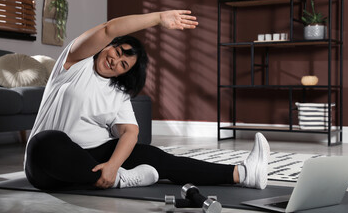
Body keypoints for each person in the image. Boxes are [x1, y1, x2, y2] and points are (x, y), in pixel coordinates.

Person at [24, 10, 270, 191]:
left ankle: (244, 173)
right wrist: (158, 18)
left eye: (123, 65)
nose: (114, 61)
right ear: (111, 45)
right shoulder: (76, 62)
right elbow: (108, 28)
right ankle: (121, 180)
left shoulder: (117, 92)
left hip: (95, 158)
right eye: (117, 52)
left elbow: (130, 132)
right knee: (46, 141)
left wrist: (112, 165)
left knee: (155, 157)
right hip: (48, 164)